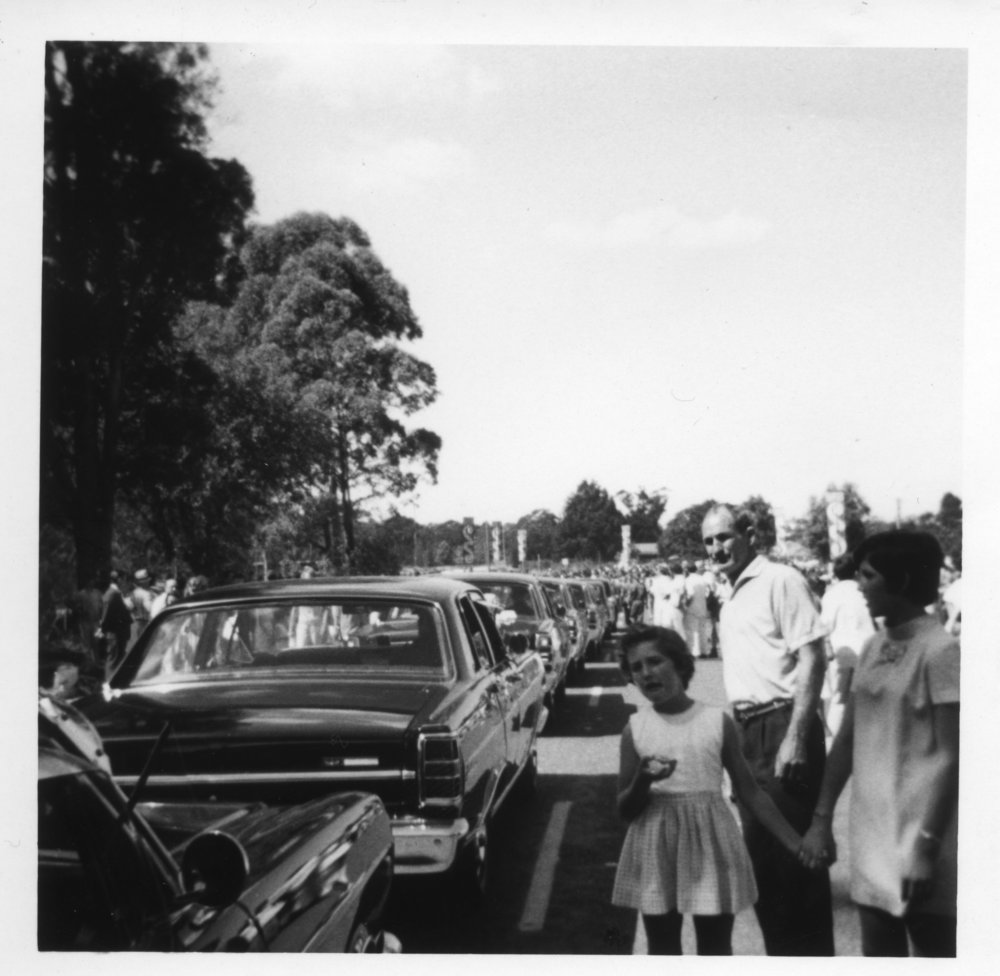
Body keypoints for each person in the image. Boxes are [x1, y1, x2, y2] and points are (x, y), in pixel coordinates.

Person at [800, 531, 959, 957]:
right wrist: (821, 819)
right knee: (880, 956)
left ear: (902, 580)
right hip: (873, 838)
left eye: (868, 575)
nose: (859, 585)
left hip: (923, 839)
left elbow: (951, 757)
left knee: (935, 954)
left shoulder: (941, 651)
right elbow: (848, 738)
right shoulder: (872, 646)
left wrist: (926, 847)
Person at [611, 626, 803, 955]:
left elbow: (750, 792)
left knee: (715, 947)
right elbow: (625, 810)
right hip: (656, 843)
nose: (645, 673)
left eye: (654, 661)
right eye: (636, 668)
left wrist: (795, 843)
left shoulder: (716, 721)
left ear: (681, 664)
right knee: (662, 946)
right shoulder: (636, 729)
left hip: (710, 841)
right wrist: (644, 779)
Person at [701, 504, 834, 955]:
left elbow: (813, 655)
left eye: (723, 537)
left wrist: (796, 735)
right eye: (708, 541)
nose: (715, 548)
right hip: (747, 730)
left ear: (749, 533)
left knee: (793, 869)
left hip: (781, 724)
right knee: (764, 866)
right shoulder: (732, 592)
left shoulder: (780, 579)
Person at [819, 552, 876, 742]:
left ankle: (834, 741)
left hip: (842, 653)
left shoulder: (831, 595)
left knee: (840, 699)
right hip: (868, 650)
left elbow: (824, 625)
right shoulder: (864, 590)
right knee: (866, 697)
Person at [97, 570, 133, 675]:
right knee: (113, 660)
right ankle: (109, 683)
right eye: (124, 579)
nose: (125, 582)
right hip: (115, 633)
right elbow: (105, 615)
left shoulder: (116, 593)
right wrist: (102, 629)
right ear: (119, 580)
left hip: (119, 633)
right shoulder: (112, 594)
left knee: (118, 658)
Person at [681, 561, 712, 659]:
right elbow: (708, 593)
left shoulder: (688, 580)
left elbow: (690, 594)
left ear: (687, 570)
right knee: (702, 629)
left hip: (693, 607)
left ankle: (694, 651)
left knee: (692, 630)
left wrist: (686, 605)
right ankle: (704, 651)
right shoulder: (702, 579)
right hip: (702, 606)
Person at [129, 569, 155, 645]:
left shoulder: (133, 593)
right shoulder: (146, 594)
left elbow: (130, 607)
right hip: (146, 623)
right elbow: (150, 609)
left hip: (136, 624)